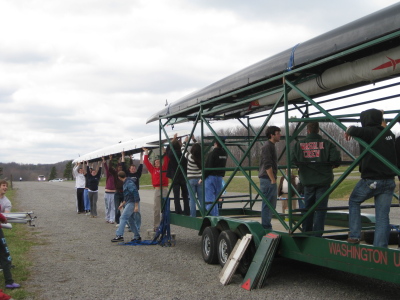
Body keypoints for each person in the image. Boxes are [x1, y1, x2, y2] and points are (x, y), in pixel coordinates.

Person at [345, 109, 396, 247]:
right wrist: (381, 116)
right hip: (389, 180)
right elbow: (383, 125)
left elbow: (353, 129)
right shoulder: (388, 133)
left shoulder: (369, 131)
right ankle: (380, 247)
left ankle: (355, 235)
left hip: (372, 179)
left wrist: (348, 130)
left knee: (354, 201)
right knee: (382, 217)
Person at [291, 122, 340, 237]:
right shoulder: (327, 144)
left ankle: (307, 231)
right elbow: (336, 159)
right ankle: (317, 234)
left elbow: (292, 159)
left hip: (307, 181)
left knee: (308, 207)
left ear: (307, 131)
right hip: (323, 180)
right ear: (318, 130)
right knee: (321, 209)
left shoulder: (299, 144)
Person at [259, 126, 281, 229]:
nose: (279, 135)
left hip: (269, 178)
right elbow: (267, 164)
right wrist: (272, 179)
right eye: (277, 133)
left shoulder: (271, 145)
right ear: (271, 135)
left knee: (271, 204)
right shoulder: (267, 146)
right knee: (268, 204)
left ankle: (267, 225)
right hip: (267, 179)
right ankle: (266, 227)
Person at [143, 147, 170, 231]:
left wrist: (164, 150)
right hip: (157, 189)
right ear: (154, 164)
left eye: (158, 161)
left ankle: (165, 225)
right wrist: (146, 152)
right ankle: (156, 226)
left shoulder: (164, 168)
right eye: (156, 162)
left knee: (165, 208)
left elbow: (167, 159)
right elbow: (146, 162)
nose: (157, 162)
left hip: (165, 189)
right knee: (156, 208)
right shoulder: (153, 170)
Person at [0, 182, 20, 289]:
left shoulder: (6, 201)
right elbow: (3, 217)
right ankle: (9, 282)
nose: (5, 188)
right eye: (3, 185)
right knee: (5, 255)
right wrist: (2, 218)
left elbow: (6, 214)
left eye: (6, 186)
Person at [111, 171, 141, 242]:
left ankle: (119, 235)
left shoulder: (129, 183)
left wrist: (136, 206)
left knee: (123, 217)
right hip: (128, 201)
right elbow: (127, 195)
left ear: (119, 177)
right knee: (131, 220)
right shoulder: (126, 182)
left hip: (132, 202)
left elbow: (135, 193)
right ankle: (137, 236)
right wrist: (122, 204)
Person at [166, 134, 189, 215]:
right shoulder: (183, 154)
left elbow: (168, 149)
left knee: (176, 195)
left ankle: (178, 211)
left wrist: (173, 140)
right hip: (183, 175)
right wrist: (185, 142)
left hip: (175, 175)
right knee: (185, 195)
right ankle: (187, 211)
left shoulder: (172, 154)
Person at [204, 138, 227, 216]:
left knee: (209, 200)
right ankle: (216, 216)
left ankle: (214, 217)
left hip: (211, 177)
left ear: (216, 144)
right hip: (219, 177)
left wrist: (202, 178)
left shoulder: (212, 154)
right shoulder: (225, 153)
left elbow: (208, 167)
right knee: (216, 200)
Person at [182, 136, 203, 217]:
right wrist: (194, 140)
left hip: (191, 180)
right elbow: (198, 147)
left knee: (192, 200)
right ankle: (203, 215)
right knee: (201, 199)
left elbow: (183, 150)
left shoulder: (190, 157)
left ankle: (193, 216)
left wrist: (185, 142)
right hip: (199, 180)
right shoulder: (201, 157)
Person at [108, 156, 125, 226]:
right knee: (117, 207)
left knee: (126, 207)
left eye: (121, 167)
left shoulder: (124, 174)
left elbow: (126, 166)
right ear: (117, 168)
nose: (120, 169)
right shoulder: (115, 174)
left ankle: (125, 221)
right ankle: (118, 222)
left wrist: (129, 158)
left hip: (124, 192)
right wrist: (111, 160)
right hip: (117, 193)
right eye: (119, 167)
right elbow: (110, 168)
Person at [102, 156, 116, 224]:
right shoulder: (109, 175)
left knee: (113, 207)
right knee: (107, 207)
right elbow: (107, 168)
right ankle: (107, 217)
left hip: (113, 193)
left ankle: (112, 219)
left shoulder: (116, 176)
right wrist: (105, 160)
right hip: (107, 193)